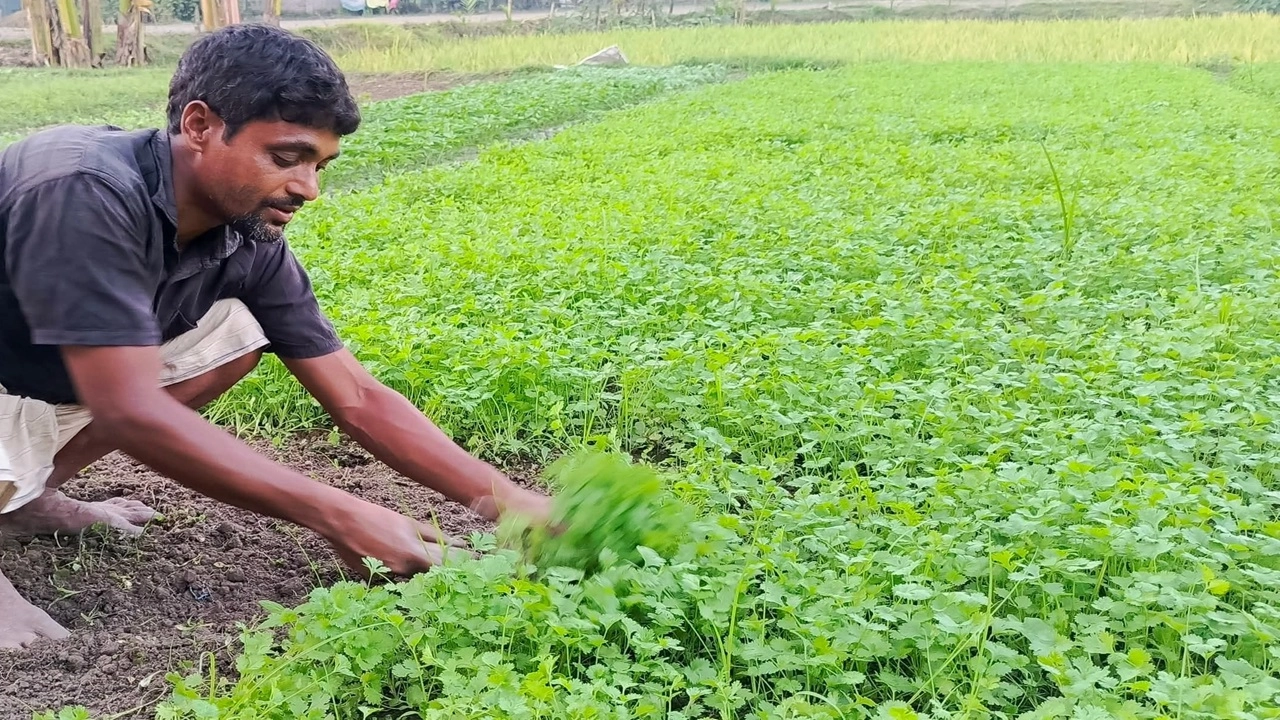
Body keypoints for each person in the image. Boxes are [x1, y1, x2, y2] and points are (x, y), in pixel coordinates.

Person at [0, 23, 551, 650]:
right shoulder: (83, 188)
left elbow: (356, 397)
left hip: (25, 369)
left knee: (236, 333)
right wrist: (338, 514)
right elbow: (128, 410)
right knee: (129, 394)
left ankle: (22, 499)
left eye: (320, 165)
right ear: (200, 126)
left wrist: (508, 502)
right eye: (286, 158)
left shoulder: (246, 236)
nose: (307, 189)